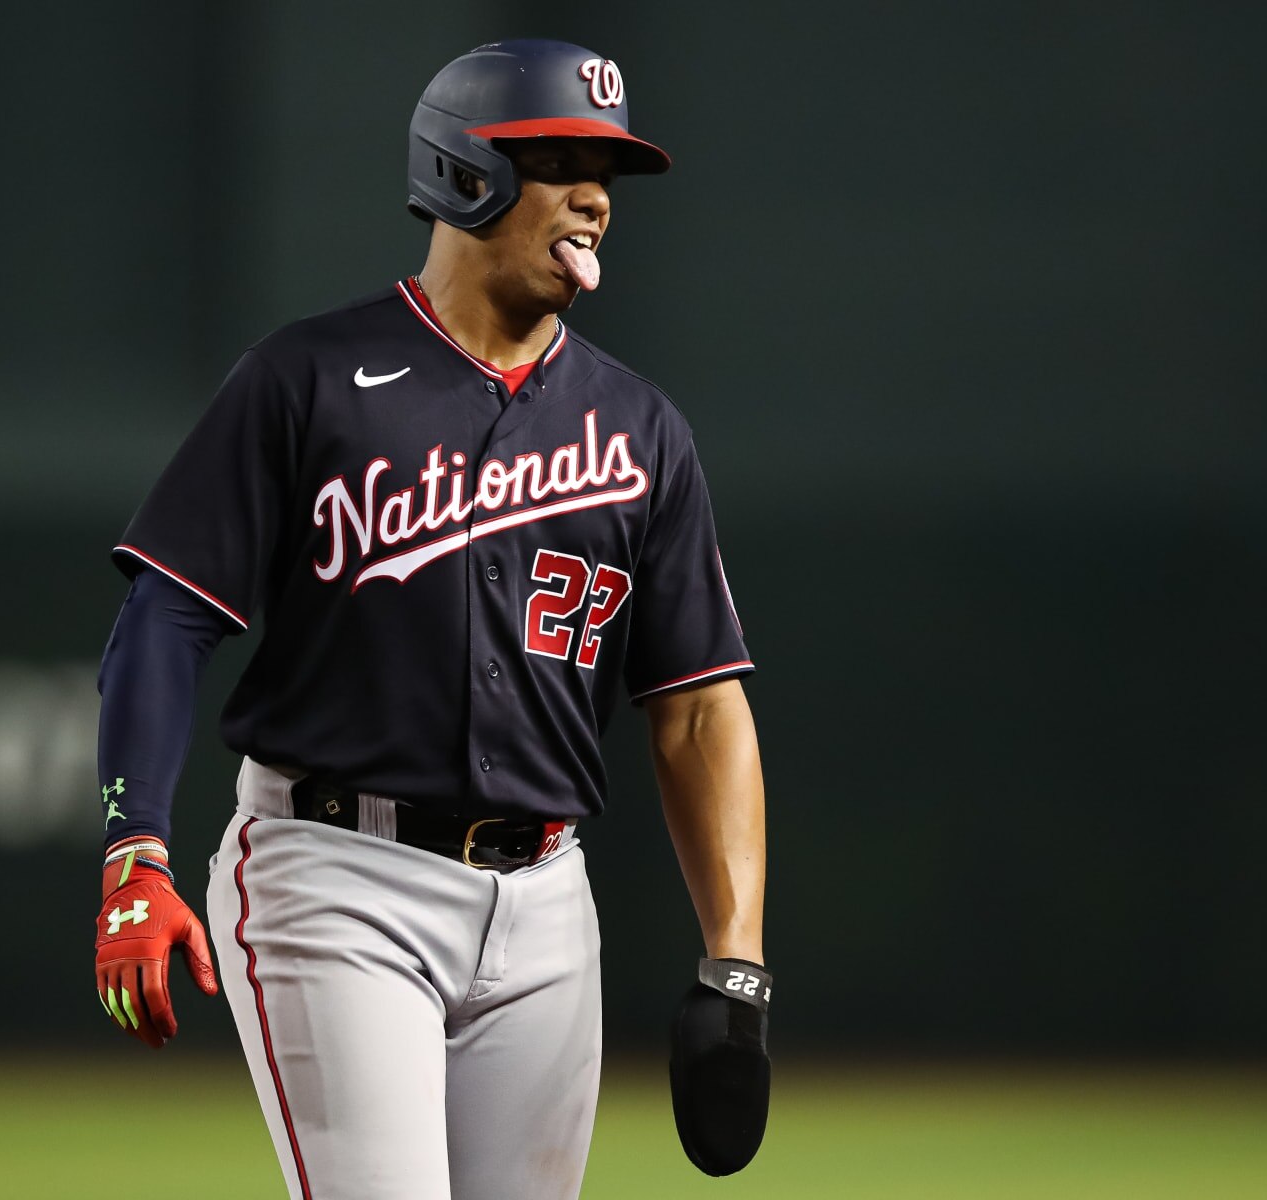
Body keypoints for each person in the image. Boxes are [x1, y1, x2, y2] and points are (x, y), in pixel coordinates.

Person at [90, 38, 771, 1199]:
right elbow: (165, 617)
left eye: (607, 170)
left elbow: (701, 708)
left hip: (549, 898)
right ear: (464, 175)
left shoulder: (641, 428)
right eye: (558, 159)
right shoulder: (307, 378)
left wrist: (737, 966)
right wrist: (132, 850)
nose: (595, 197)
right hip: (334, 876)